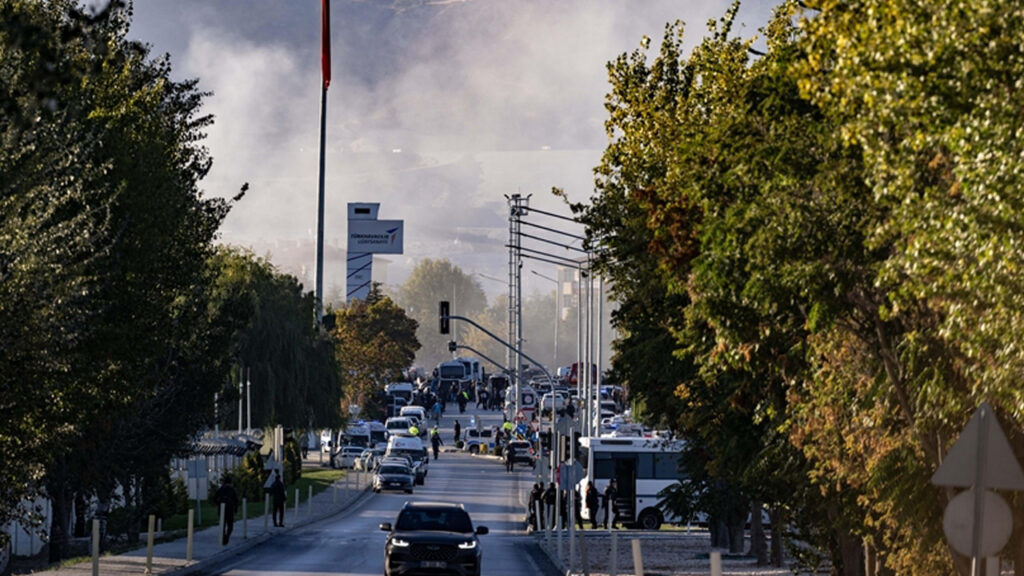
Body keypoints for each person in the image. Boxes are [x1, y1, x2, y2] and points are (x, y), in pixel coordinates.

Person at [213, 476, 239, 545]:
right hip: (230, 509)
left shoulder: (221, 489)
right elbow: (236, 500)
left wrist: (219, 503)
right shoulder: (232, 489)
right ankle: (227, 536)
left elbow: (215, 498)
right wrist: (235, 509)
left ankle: (223, 536)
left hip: (222, 509)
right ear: (231, 482)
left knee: (222, 525)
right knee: (230, 525)